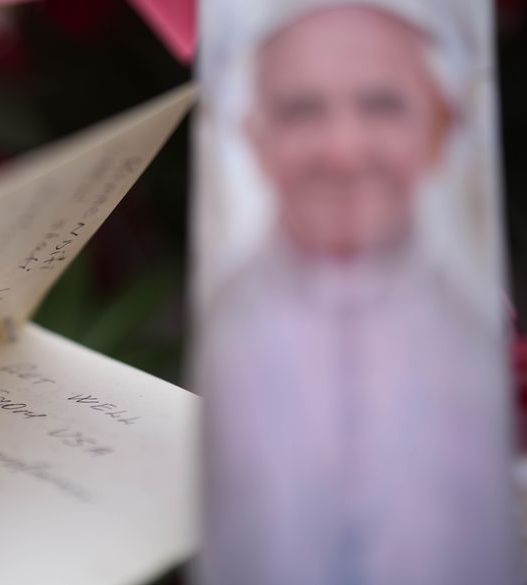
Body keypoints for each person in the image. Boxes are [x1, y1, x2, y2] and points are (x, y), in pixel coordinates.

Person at [199, 5, 518, 585]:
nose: (343, 151)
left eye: (382, 105)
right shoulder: (221, 334)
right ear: (254, 133)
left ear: (441, 125)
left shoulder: (472, 337)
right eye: (302, 110)